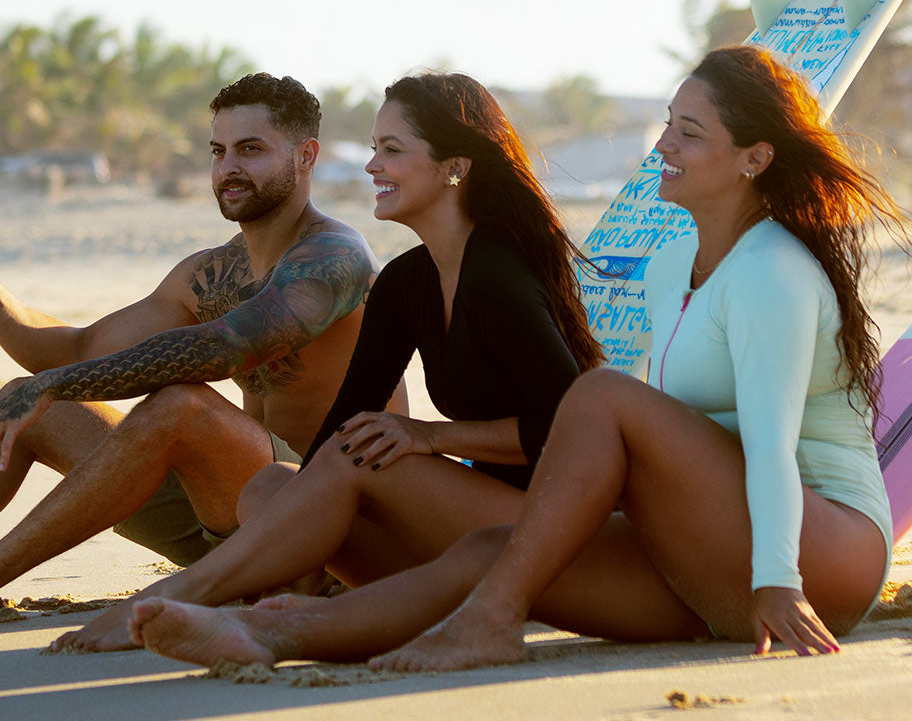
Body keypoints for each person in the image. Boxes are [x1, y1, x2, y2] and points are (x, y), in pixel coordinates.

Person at [126, 45, 905, 671]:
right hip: (701, 550)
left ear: (754, 158)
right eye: (668, 123)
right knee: (493, 548)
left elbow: (767, 443)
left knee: (601, 396)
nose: (662, 144)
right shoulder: (675, 266)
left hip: (814, 553)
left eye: (688, 133)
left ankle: (491, 621)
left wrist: (776, 579)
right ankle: (276, 634)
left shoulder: (774, 270)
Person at [0, 73, 407, 628]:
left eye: (251, 149)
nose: (229, 167)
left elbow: (229, 348)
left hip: (328, 517)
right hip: (226, 519)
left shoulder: (333, 256)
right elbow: (77, 348)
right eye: (217, 149)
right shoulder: (205, 274)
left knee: (181, 403)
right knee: (44, 412)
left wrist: (57, 383)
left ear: (306, 155)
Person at [51, 70, 604, 652]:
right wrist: (294, 519)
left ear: (454, 167)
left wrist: (430, 437)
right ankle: (280, 601)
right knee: (272, 486)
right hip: (460, 526)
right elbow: (343, 427)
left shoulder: (497, 273)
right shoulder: (405, 283)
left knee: (356, 456)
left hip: (550, 532)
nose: (371, 166)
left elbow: (574, 434)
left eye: (391, 150)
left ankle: (192, 597)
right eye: (373, 149)